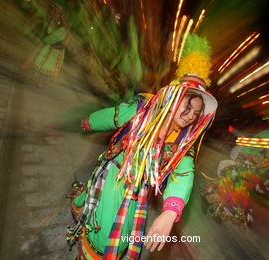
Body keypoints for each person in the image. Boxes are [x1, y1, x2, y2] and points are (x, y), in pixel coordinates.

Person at [66, 34, 218, 259]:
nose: (190, 116)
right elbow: (113, 117)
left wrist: (169, 213)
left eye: (196, 113)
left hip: (138, 191)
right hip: (114, 177)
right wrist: (88, 123)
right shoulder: (144, 110)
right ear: (173, 98)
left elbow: (184, 173)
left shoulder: (183, 142)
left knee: (120, 236)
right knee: (106, 237)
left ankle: (83, 208)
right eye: (187, 106)